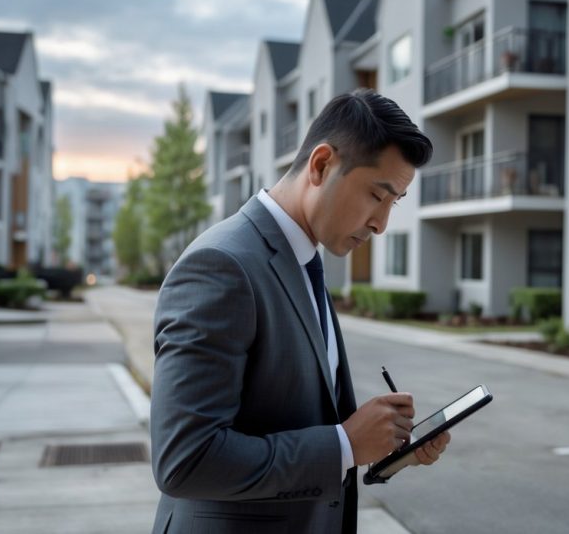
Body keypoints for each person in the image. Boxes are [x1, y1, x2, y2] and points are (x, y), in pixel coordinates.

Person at [150, 89, 450, 533]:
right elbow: (186, 460)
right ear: (322, 164)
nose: (381, 224)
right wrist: (344, 444)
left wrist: (380, 445)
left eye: (394, 203)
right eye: (376, 195)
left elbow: (294, 420)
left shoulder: (303, 261)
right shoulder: (221, 266)